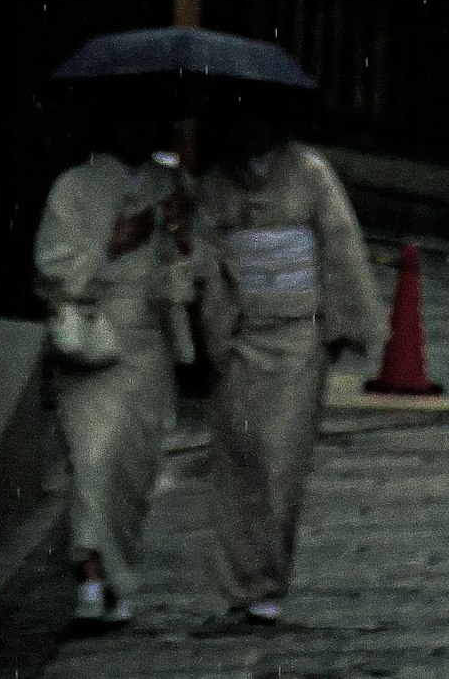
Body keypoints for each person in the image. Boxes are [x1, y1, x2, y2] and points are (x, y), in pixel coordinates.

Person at [187, 99, 387, 629]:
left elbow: (340, 247)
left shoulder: (311, 173)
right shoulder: (214, 184)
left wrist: (342, 326)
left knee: (282, 462)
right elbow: (203, 257)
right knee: (237, 461)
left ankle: (269, 582)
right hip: (239, 334)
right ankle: (239, 586)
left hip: (297, 336)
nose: (247, 127)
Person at [32, 101, 197, 628]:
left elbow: (192, 269)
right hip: (96, 340)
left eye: (146, 118)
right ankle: (90, 579)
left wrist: (180, 238)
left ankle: (116, 576)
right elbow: (52, 270)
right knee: (91, 460)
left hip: (148, 342)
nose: (136, 127)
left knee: (133, 467)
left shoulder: (173, 184)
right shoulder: (73, 187)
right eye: (126, 117)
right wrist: (114, 243)